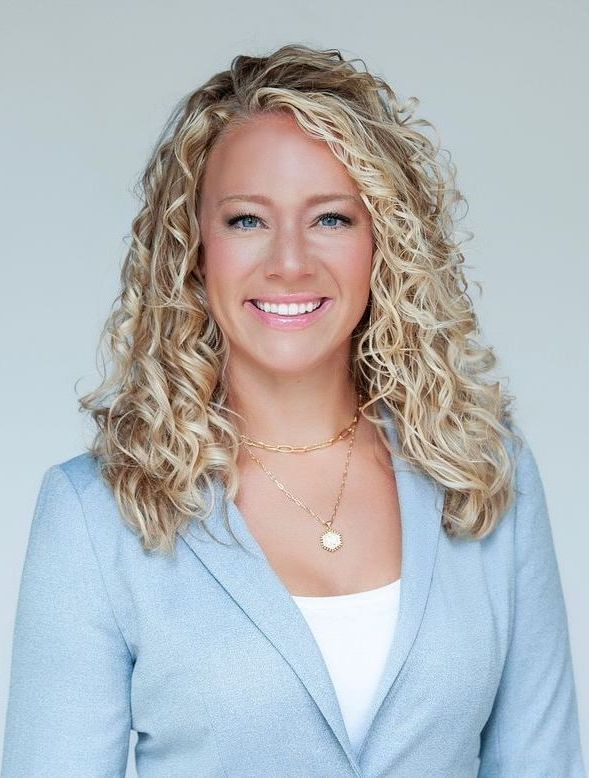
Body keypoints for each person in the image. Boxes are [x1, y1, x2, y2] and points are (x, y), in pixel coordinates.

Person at [1, 43, 585, 777]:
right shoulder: (96, 515)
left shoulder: (484, 473)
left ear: (385, 243)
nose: (288, 262)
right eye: (247, 220)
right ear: (192, 248)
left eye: (331, 219)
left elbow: (542, 762)